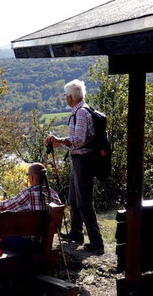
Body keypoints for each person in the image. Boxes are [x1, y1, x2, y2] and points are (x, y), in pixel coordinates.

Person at [45, 79, 104, 252]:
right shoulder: (79, 112)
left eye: (65, 95)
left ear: (70, 97)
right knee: (74, 200)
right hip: (78, 160)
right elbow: (77, 142)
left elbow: (79, 141)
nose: (65, 97)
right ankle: (76, 233)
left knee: (84, 202)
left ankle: (97, 242)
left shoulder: (81, 114)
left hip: (83, 162)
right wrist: (59, 142)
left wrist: (60, 141)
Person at [0, 163, 61, 251]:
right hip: (45, 242)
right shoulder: (54, 194)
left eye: (28, 176)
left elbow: (4, 206)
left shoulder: (28, 193)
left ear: (32, 177)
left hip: (27, 244)